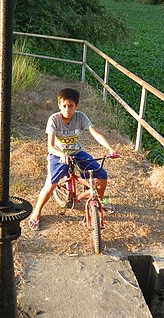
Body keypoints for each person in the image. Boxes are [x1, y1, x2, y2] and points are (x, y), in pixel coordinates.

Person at [28, 87, 117, 230]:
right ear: (59, 105)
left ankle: (100, 201)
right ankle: (36, 212)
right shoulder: (54, 119)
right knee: (51, 184)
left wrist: (110, 148)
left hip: (76, 152)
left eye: (71, 106)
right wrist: (62, 154)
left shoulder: (81, 117)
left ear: (76, 106)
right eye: (64, 106)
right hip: (58, 154)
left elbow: (95, 134)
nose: (67, 109)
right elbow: (50, 146)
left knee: (102, 175)